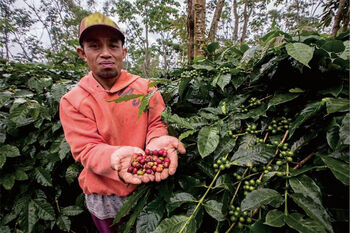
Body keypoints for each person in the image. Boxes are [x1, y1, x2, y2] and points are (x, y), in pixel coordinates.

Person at [59, 12, 186, 233]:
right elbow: (86, 148)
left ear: (124, 52)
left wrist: (157, 140)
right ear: (82, 53)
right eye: (95, 46)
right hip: (103, 196)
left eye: (113, 46)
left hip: (144, 190)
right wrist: (113, 159)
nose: (106, 53)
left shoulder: (146, 88)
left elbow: (156, 123)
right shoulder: (73, 101)